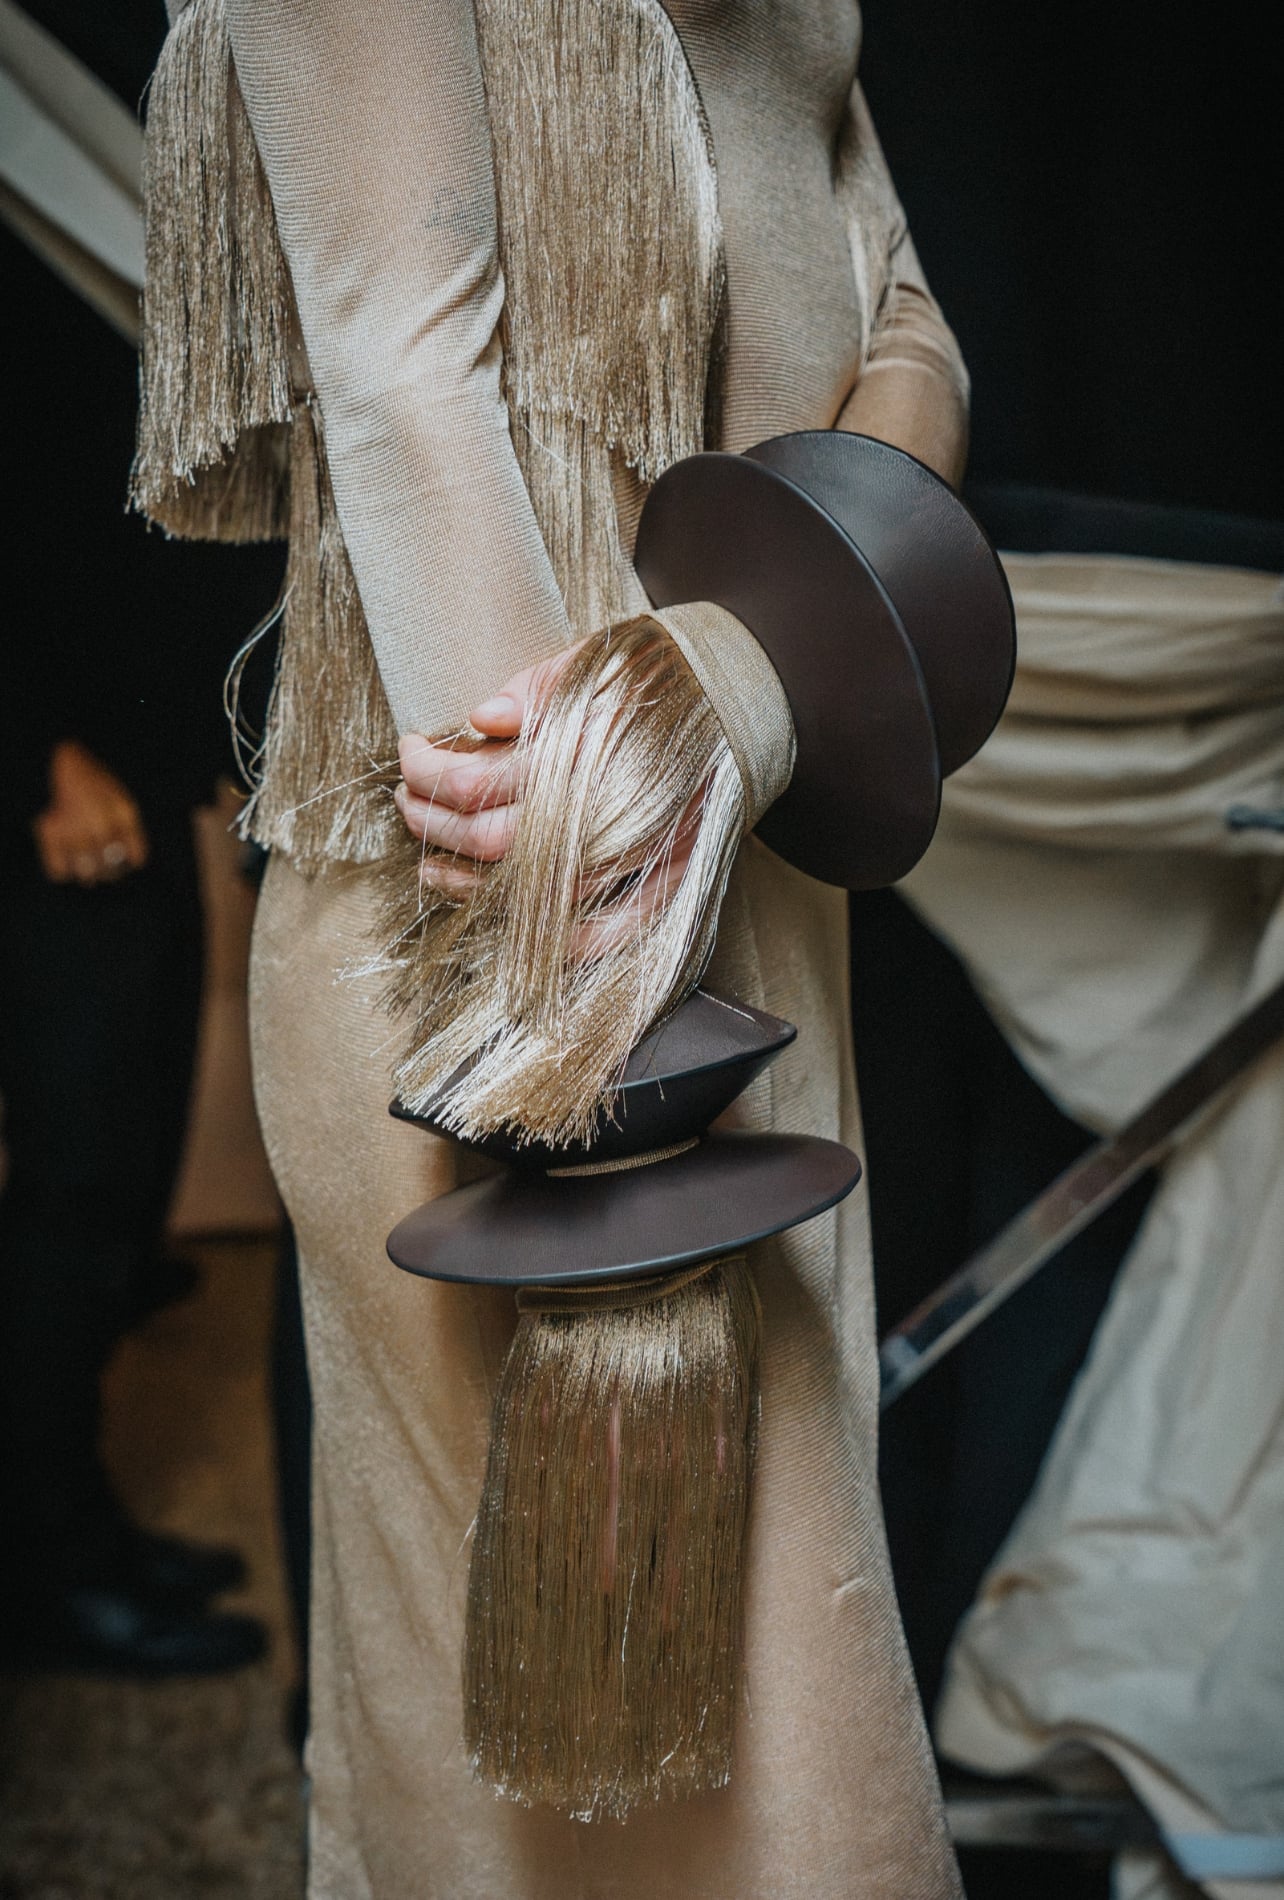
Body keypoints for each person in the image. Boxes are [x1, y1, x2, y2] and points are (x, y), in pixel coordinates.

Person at [141, 0, 971, 1890]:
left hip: (756, 898)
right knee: (552, 1808)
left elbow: (913, 334)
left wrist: (736, 679)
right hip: (506, 952)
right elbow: (401, 371)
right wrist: (601, 1009)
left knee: (784, 1786)